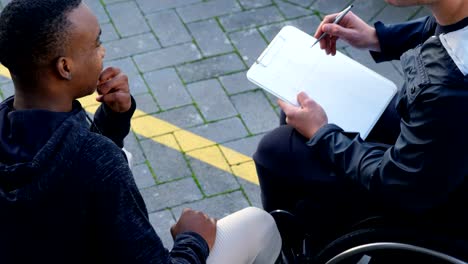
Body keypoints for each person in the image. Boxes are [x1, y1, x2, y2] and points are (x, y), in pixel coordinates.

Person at [0, 1, 281, 263]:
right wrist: (193, 238)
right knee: (259, 224)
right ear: (65, 67)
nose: (103, 51)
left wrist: (113, 118)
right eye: (97, 42)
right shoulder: (99, 163)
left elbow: (67, 158)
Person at [254, 0, 468, 258]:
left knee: (275, 150)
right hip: (443, 151)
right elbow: (449, 26)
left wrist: (323, 134)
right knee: (306, 109)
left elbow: (398, 182)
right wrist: (377, 37)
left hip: (435, 209)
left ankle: (301, 249)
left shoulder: (445, 87)